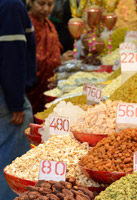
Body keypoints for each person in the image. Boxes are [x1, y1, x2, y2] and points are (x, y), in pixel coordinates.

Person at [0, 0, 37, 199]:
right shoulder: (11, 5)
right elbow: (11, 55)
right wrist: (16, 103)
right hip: (6, 98)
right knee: (11, 166)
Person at [27, 0, 71, 114]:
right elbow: (30, 60)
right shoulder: (27, 24)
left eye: (50, 5)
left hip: (48, 84)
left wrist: (62, 57)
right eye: (41, 4)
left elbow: (52, 51)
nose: (46, 9)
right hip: (32, 88)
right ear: (30, 3)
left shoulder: (48, 24)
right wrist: (59, 61)